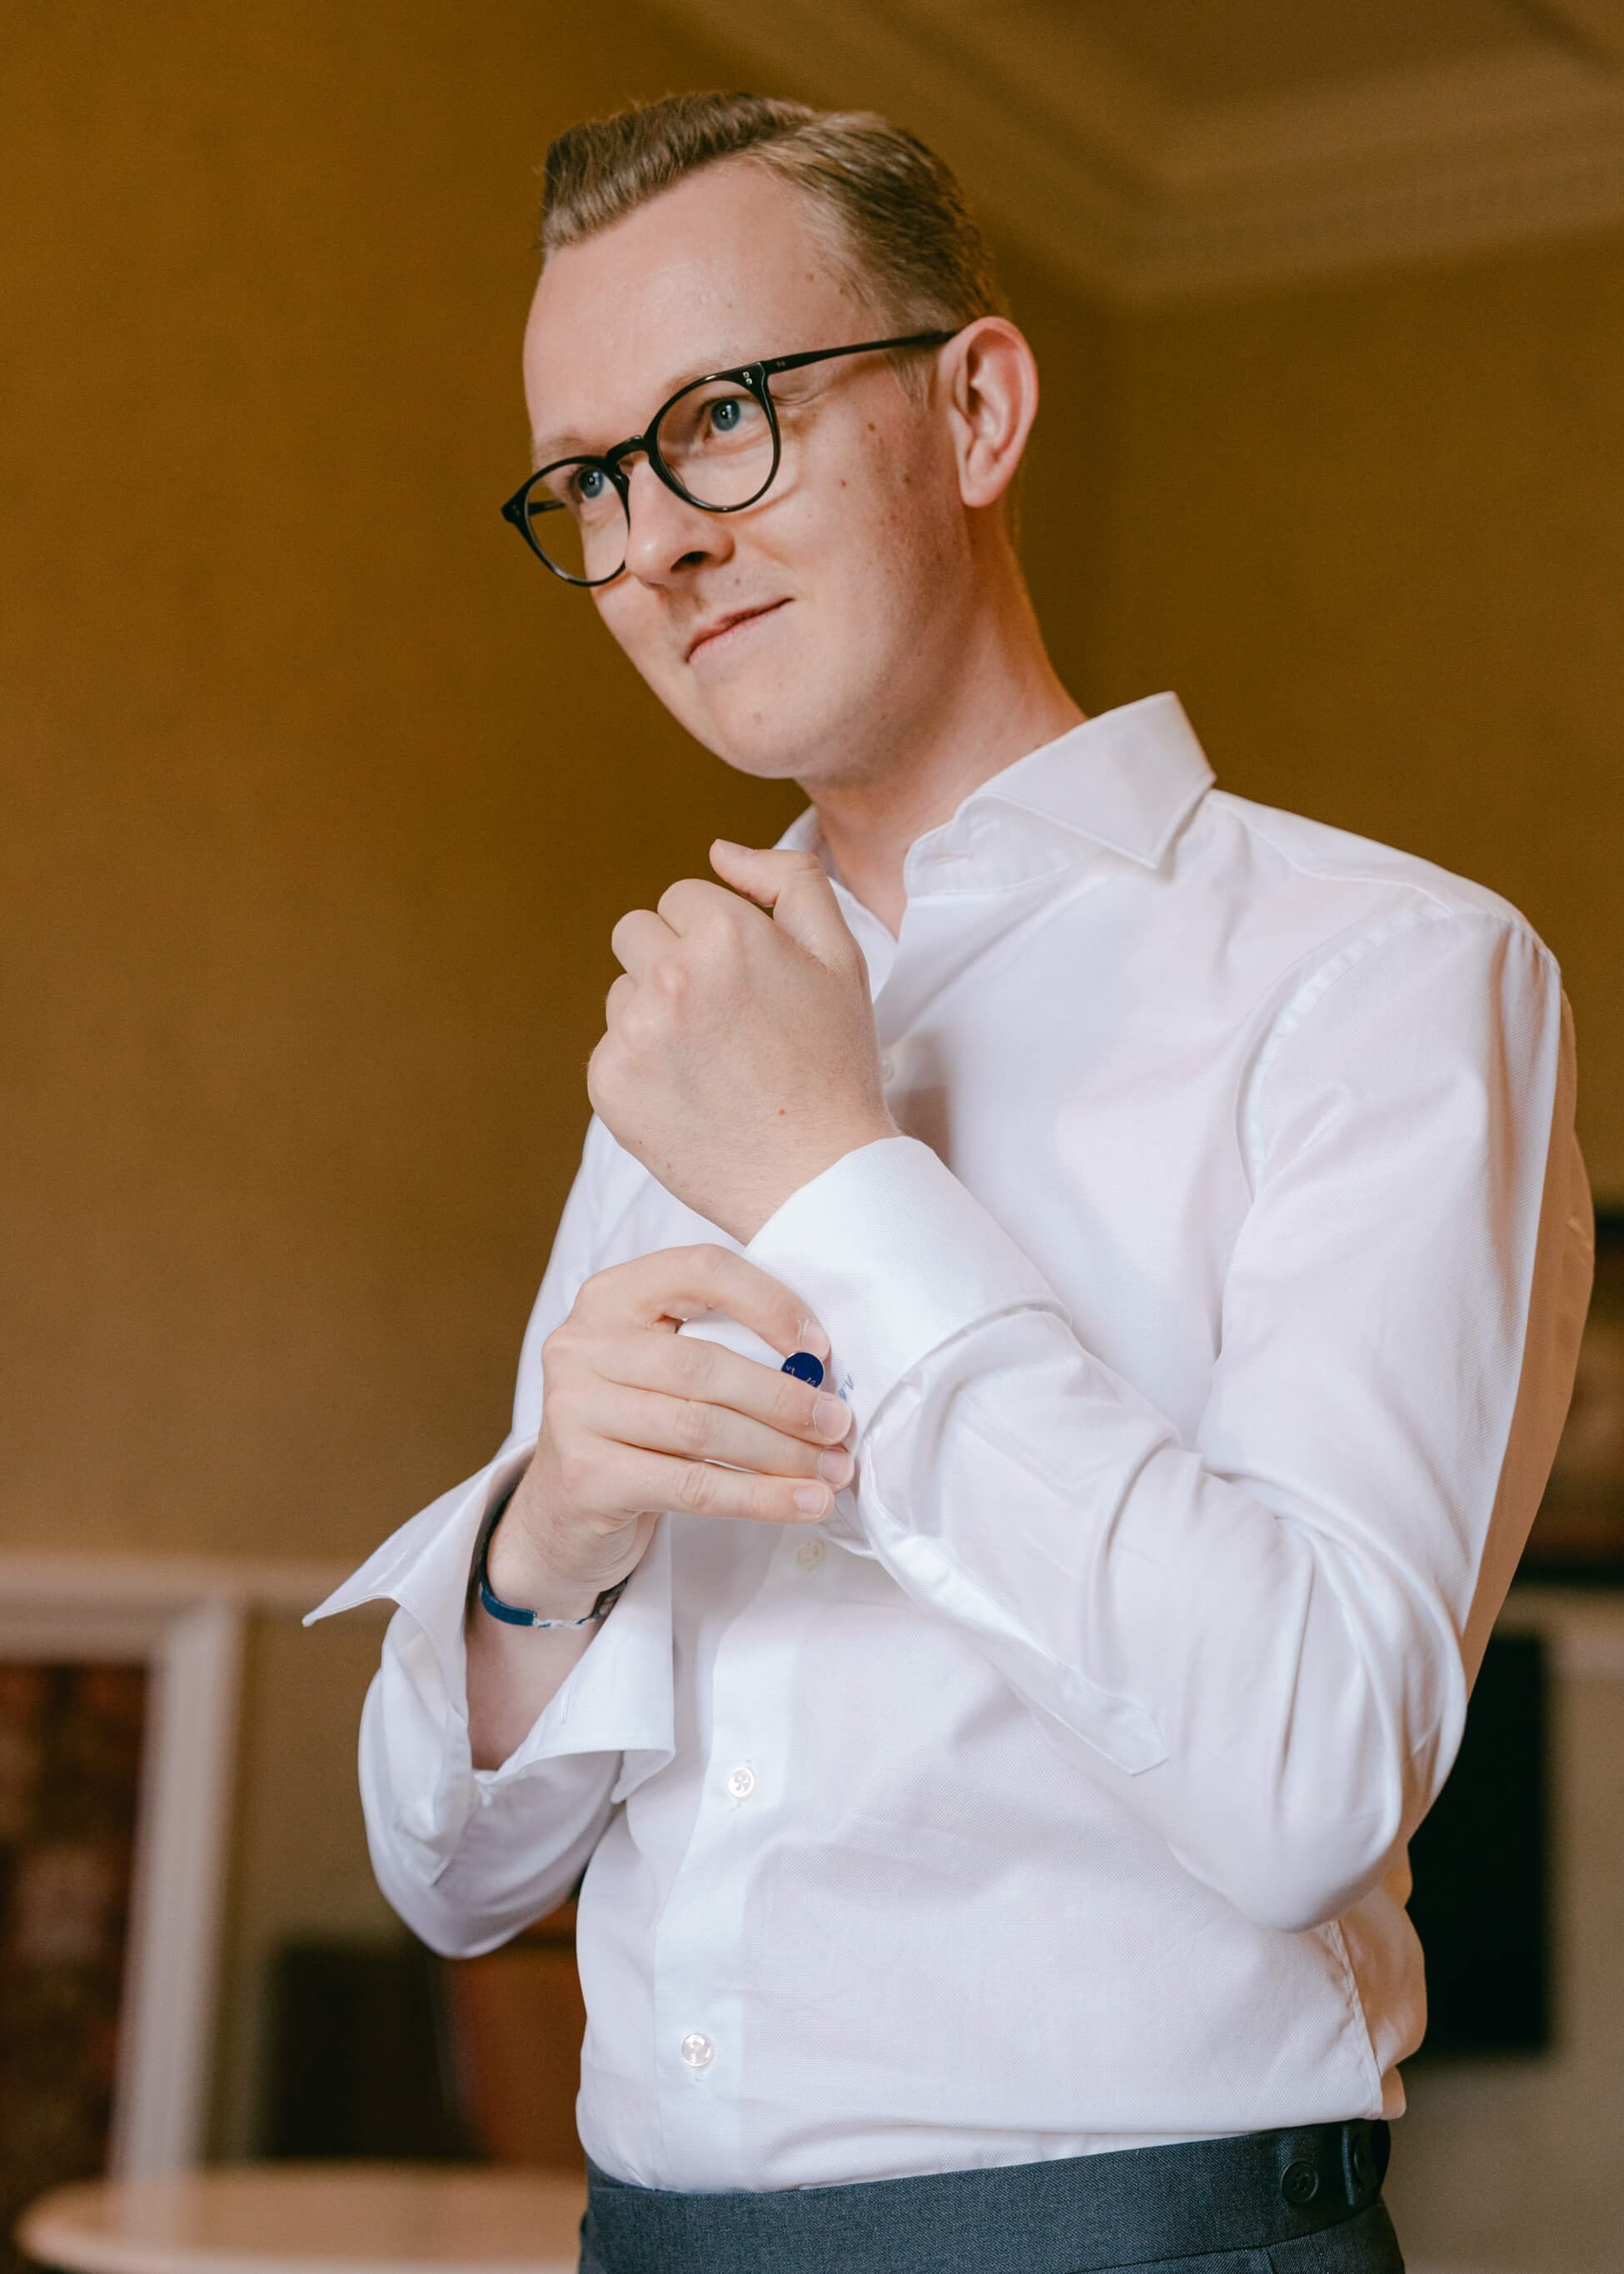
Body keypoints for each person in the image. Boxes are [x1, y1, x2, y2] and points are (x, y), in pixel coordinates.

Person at [309, 91, 1592, 2274]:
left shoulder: (1384, 976)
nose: (655, 545)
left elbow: (1307, 1774)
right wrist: (545, 1546)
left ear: (977, 407)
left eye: (722, 419)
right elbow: (453, 1876)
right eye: (592, 481)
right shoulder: (681, 1041)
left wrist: (834, 1183)